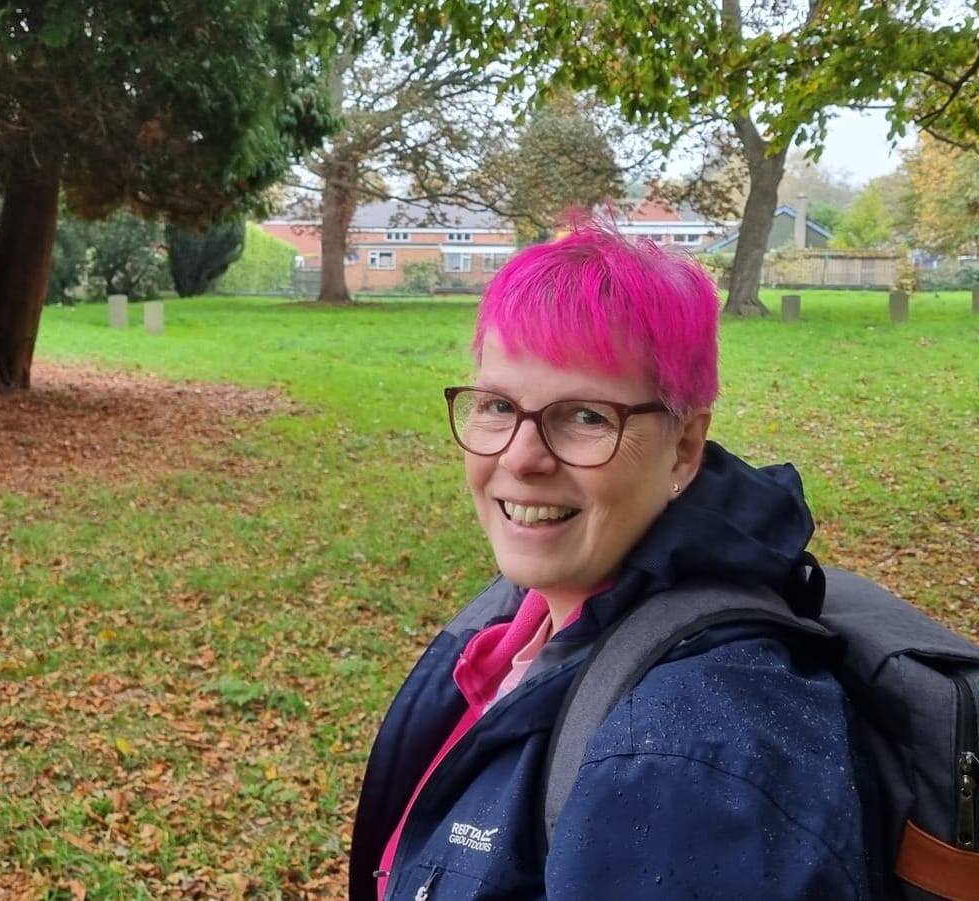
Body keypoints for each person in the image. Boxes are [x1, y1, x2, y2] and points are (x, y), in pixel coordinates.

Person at [349, 219, 869, 900]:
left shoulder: (686, 760)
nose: (520, 458)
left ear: (684, 447)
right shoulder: (528, 619)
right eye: (499, 405)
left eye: (586, 416)